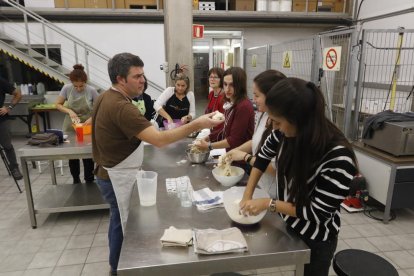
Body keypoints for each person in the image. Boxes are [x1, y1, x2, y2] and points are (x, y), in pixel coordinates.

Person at [92, 52, 223, 275]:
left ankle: (115, 266)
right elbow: (160, 139)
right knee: (124, 224)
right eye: (137, 76)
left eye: (143, 75)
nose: (143, 80)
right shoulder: (122, 107)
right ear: (121, 79)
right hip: (115, 176)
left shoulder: (107, 96)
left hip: (109, 171)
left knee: (117, 220)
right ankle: (120, 268)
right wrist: (198, 123)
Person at [239, 78, 358, 276]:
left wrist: (270, 203)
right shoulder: (283, 134)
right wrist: (247, 194)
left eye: (277, 122)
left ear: (298, 120)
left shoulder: (337, 156)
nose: (274, 127)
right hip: (290, 223)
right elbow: (262, 158)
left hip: (317, 236)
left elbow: (318, 213)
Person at [224, 70, 286, 197]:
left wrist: (245, 157)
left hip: (274, 194)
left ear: (271, 96)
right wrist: (234, 151)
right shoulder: (264, 114)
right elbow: (255, 141)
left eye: (257, 96)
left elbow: (277, 169)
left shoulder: (284, 127)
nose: (254, 100)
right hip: (261, 186)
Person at [55, 64, 99, 184]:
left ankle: (89, 179)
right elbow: (57, 104)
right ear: (71, 82)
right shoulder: (66, 88)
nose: (79, 89)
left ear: (86, 82)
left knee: (88, 153)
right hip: (70, 125)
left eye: (81, 86)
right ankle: (76, 179)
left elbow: (99, 108)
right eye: (76, 86)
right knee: (72, 153)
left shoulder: (92, 90)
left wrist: (92, 118)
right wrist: (69, 111)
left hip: (87, 125)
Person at [197, 67, 255, 152]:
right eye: (225, 84)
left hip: (241, 158)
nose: (227, 89)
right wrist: (208, 137)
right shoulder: (230, 102)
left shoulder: (243, 106)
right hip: (231, 153)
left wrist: (209, 146)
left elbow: (234, 139)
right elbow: (225, 128)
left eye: (232, 85)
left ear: (240, 85)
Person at [0, 76, 23, 180]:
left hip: (1, 119)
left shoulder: (1, 81)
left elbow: (18, 94)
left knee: (7, 145)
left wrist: (9, 107)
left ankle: (14, 168)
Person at [205, 67, 225, 134]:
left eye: (215, 77)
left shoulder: (224, 97)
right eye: (210, 77)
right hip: (211, 128)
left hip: (220, 132)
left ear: (221, 79)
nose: (212, 79)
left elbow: (223, 120)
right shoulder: (211, 94)